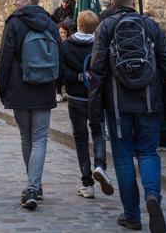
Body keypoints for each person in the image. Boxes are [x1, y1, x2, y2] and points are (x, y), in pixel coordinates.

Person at [89, 0, 166, 233]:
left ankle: (131, 215)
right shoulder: (150, 26)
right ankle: (152, 196)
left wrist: (94, 109)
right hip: (150, 102)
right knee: (149, 153)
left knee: (123, 158)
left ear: (112, 3)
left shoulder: (105, 27)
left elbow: (97, 71)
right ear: (134, 0)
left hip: (117, 107)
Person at [0, 0, 61, 210]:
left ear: (28, 0)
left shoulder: (14, 23)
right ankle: (34, 185)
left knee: (27, 138)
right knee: (40, 138)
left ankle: (33, 186)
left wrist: (3, 89)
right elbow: (58, 54)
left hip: (20, 87)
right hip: (44, 87)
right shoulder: (50, 23)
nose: (15, 2)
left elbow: (4, 59)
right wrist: (58, 86)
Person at [61, 10, 114, 199]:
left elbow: (62, 70)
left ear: (78, 23)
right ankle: (100, 165)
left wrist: (76, 76)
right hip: (95, 96)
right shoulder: (99, 44)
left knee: (81, 139)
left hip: (76, 97)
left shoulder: (66, 45)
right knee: (98, 132)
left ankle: (87, 182)